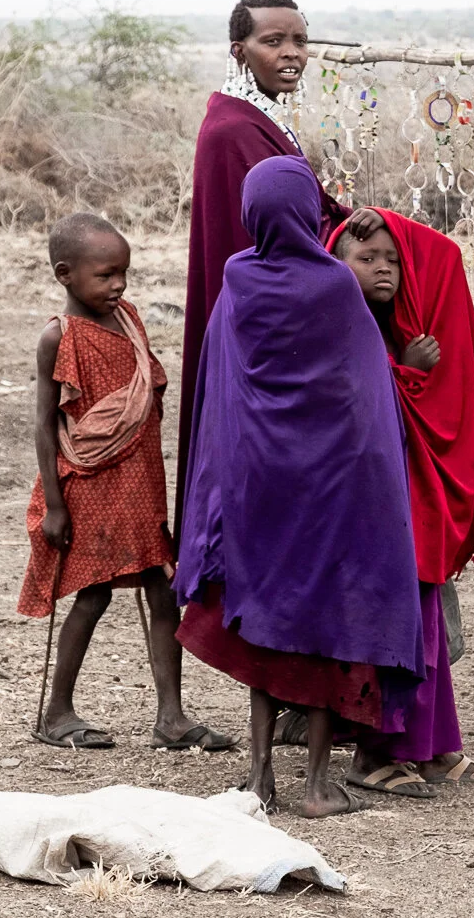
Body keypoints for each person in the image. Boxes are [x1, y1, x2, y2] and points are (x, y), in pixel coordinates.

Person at [174, 157, 423, 818]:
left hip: (259, 487)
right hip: (333, 485)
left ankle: (258, 776)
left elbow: (220, 385)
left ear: (254, 213)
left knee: (267, 628)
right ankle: (315, 782)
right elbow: (365, 390)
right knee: (326, 631)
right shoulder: (335, 286)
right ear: (312, 213)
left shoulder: (237, 281)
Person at [328, 211, 474, 795]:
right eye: (366, 259)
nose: (383, 269)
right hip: (363, 507)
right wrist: (406, 374)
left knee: (427, 618)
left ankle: (435, 746)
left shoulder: (402, 324)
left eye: (393, 259)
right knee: (387, 624)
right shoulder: (335, 321)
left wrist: (387, 220)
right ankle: (372, 754)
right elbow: (348, 397)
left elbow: (443, 251)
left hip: (407, 498)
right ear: (335, 265)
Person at [18, 212, 231, 753]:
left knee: (164, 592)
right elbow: (45, 423)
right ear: (66, 274)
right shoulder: (58, 338)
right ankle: (58, 710)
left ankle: (172, 717)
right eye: (106, 275)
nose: (119, 285)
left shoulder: (130, 320)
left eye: (124, 274)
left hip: (141, 484)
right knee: (92, 596)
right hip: (90, 486)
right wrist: (55, 505)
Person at [175, 0, 379, 537]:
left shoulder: (256, 117)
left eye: (300, 41)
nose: (292, 53)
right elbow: (273, 236)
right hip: (262, 330)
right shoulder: (233, 131)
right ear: (239, 50)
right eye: (274, 42)